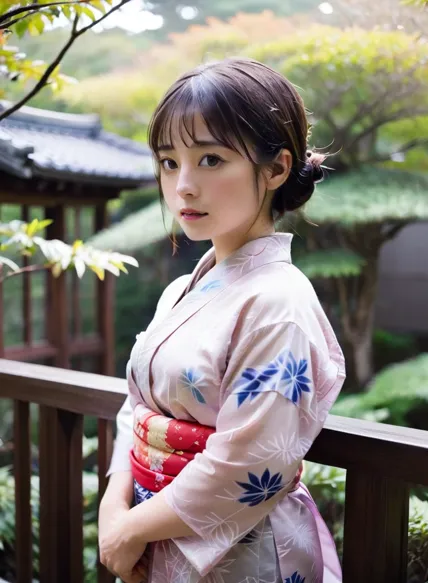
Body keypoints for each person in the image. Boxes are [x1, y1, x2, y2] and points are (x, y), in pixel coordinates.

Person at [98, 56, 346, 583]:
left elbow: (250, 460)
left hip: (240, 553)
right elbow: (137, 410)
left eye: (210, 159)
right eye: (169, 162)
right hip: (153, 525)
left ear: (276, 168)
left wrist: (131, 529)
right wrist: (115, 505)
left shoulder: (280, 302)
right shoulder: (178, 292)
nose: (183, 185)